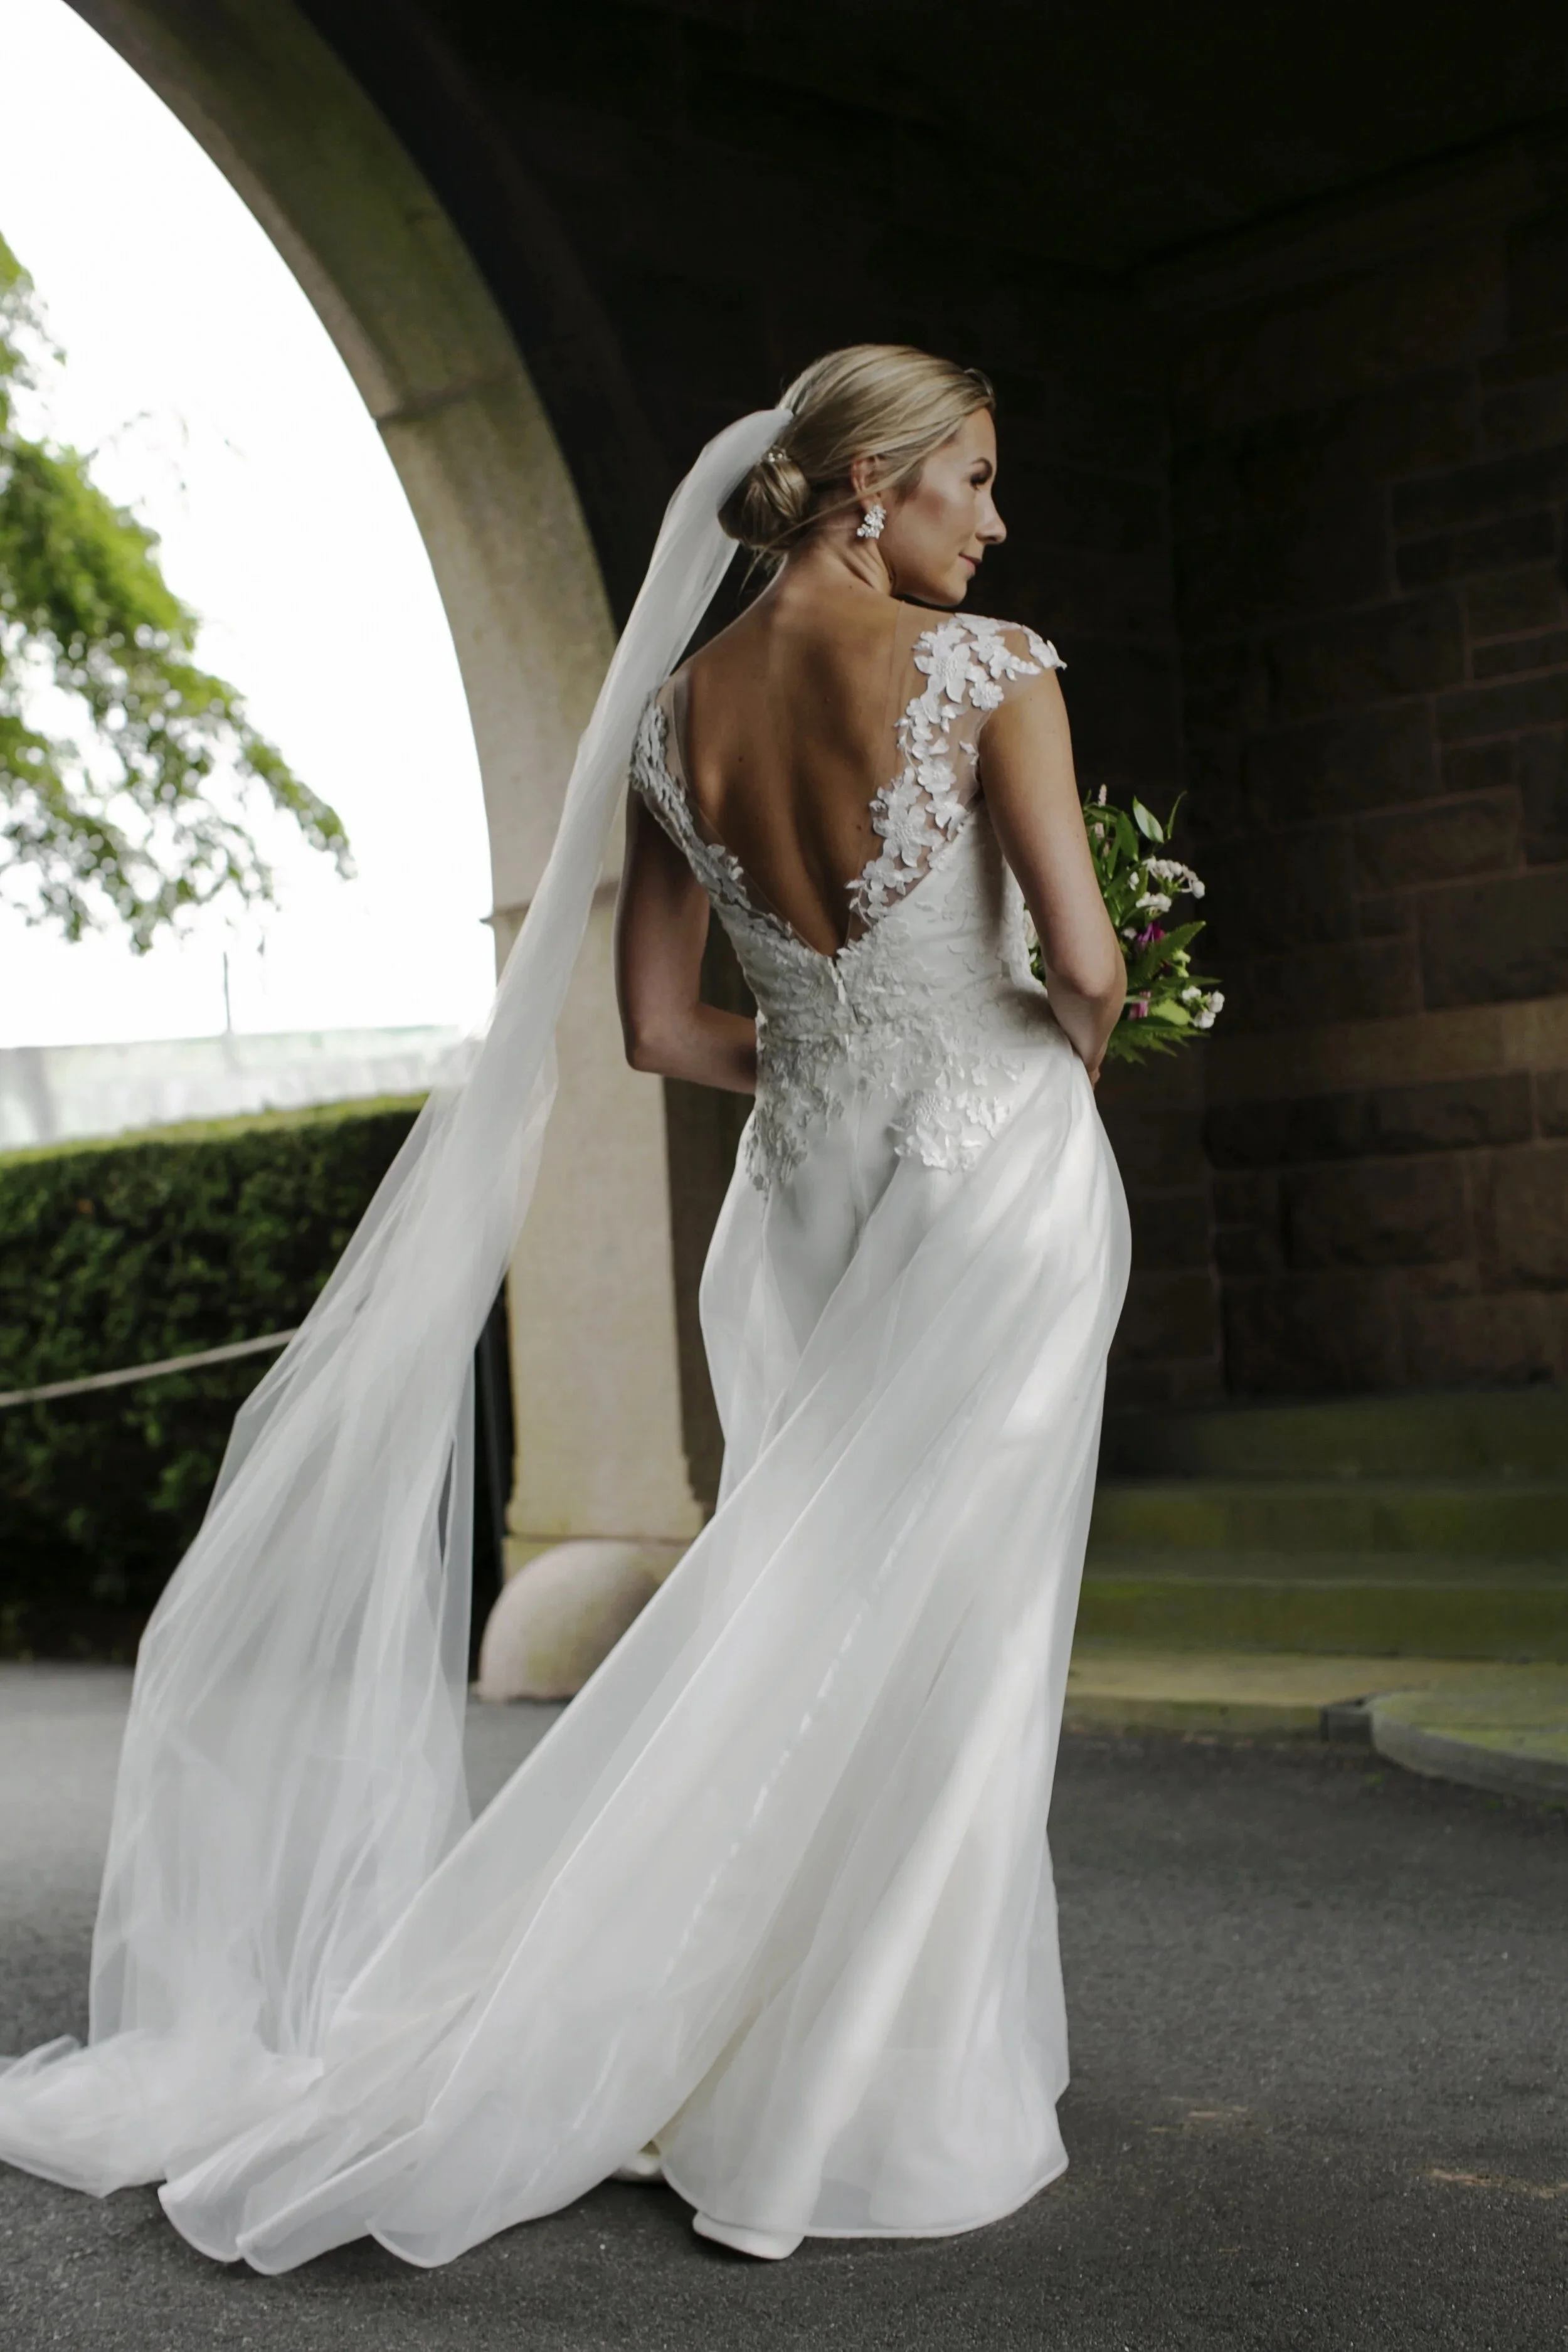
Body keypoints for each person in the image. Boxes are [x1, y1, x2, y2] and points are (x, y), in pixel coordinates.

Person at [0, 346, 1128, 2269]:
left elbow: (651, 1024)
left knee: (803, 1612)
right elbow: (1086, 968)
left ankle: (706, 2035)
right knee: (945, 1640)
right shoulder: (993, 671)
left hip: (791, 1213)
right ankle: (869, 2086)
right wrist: (1059, 1042)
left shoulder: (672, 712)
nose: (995, 523)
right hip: (984, 1188)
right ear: (871, 485)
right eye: (974, 482)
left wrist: (836, 1044)